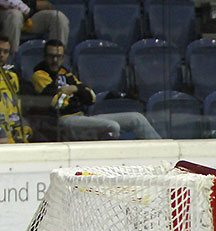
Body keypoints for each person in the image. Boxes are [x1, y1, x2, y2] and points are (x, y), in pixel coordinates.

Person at [31, 39, 160, 140]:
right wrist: (77, 94)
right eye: (51, 56)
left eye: (58, 56)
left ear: (63, 58)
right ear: (45, 57)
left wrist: (73, 89)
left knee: (136, 118)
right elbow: (57, 103)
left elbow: (90, 97)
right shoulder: (40, 75)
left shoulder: (66, 74)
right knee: (112, 127)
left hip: (83, 117)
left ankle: (164, 156)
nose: (55, 60)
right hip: (65, 121)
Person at [0, 0, 67, 56]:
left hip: (30, 16)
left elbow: (46, 5)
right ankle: (9, 62)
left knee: (58, 18)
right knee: (14, 16)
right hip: (7, 12)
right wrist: (33, 4)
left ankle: (57, 58)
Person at [0, 34, 30, 142]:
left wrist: (23, 124)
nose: (1, 55)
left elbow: (16, 107)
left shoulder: (12, 77)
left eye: (5, 52)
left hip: (14, 133)